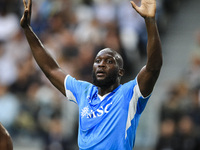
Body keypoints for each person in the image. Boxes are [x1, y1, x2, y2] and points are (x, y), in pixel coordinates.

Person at [20, 0, 162, 149]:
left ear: (120, 71)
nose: (101, 64)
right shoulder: (84, 92)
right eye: (98, 60)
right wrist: (27, 30)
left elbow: (153, 67)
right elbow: (51, 70)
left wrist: (150, 22)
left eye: (109, 61)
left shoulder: (129, 94)